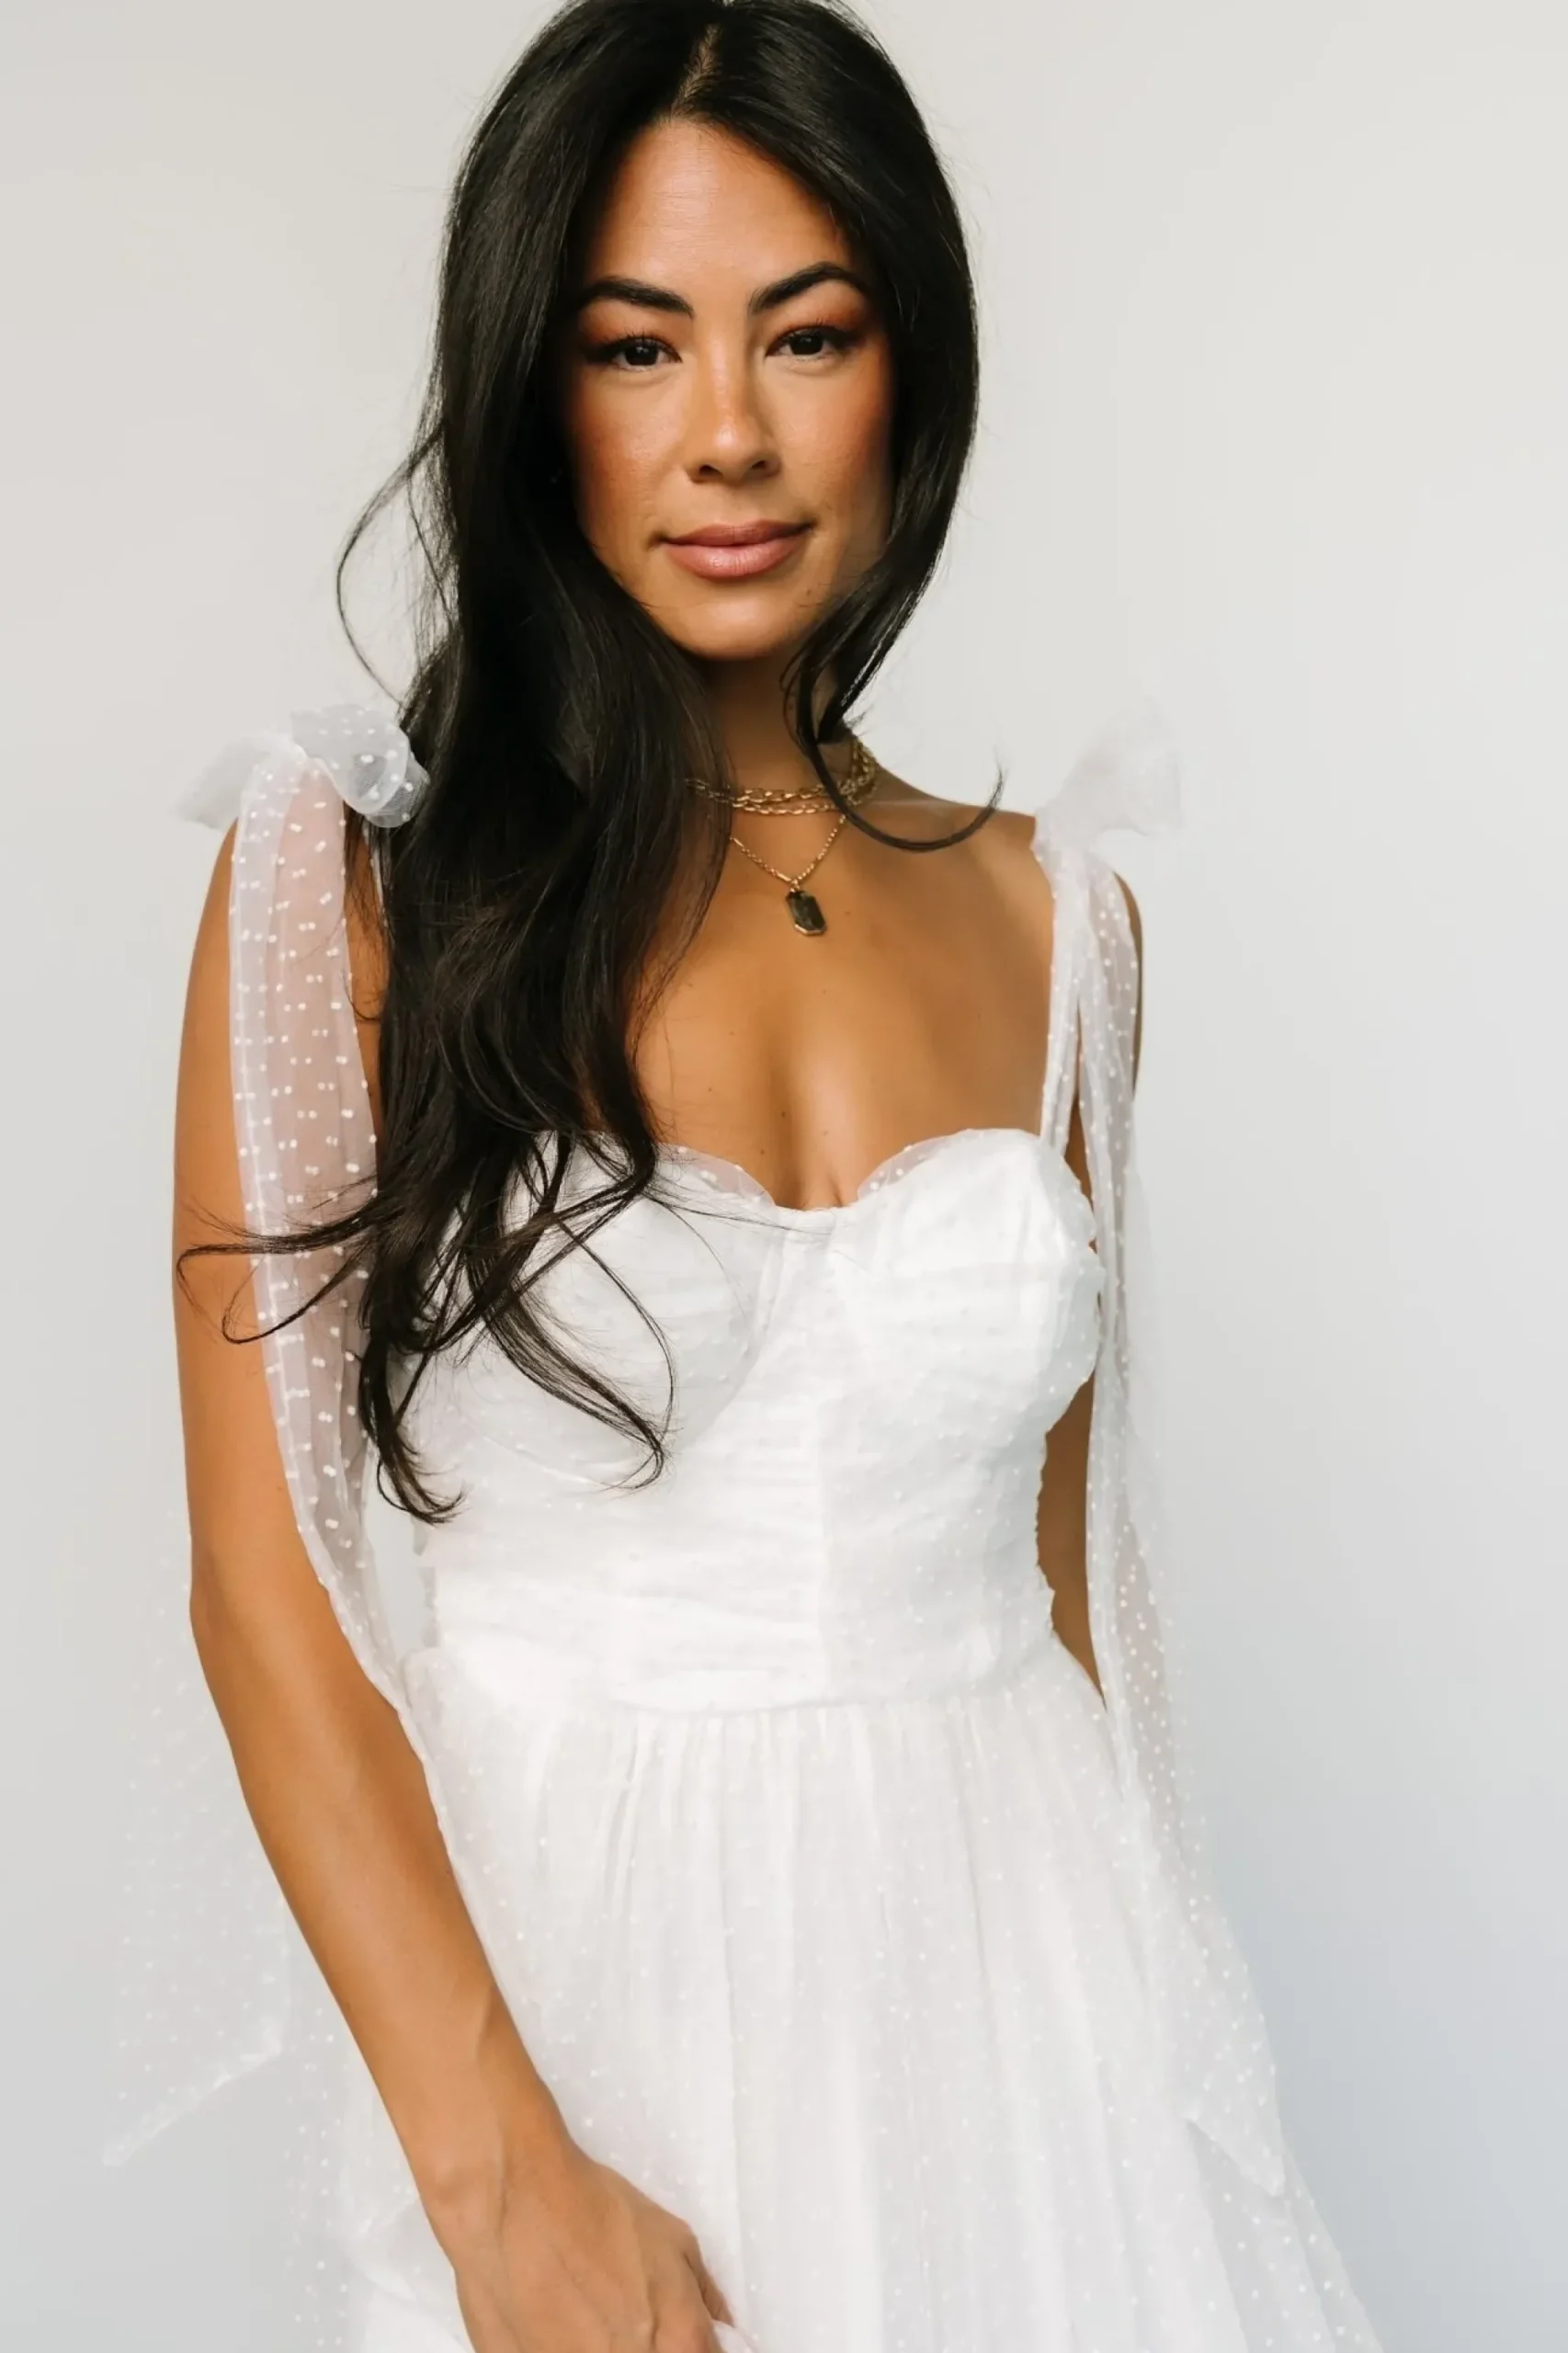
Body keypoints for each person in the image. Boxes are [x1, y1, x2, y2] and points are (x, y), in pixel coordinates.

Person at [135, 1, 1388, 2347]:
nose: (727, 429)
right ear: (533, 391)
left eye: (806, 334)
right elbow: (262, 1583)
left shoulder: (1066, 926)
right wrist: (502, 2179)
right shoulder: (352, 882)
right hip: (584, 2013)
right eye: (636, 346)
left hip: (1033, 2027)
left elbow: (1066, 1595)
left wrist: (1163, 2084)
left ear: (913, 368)